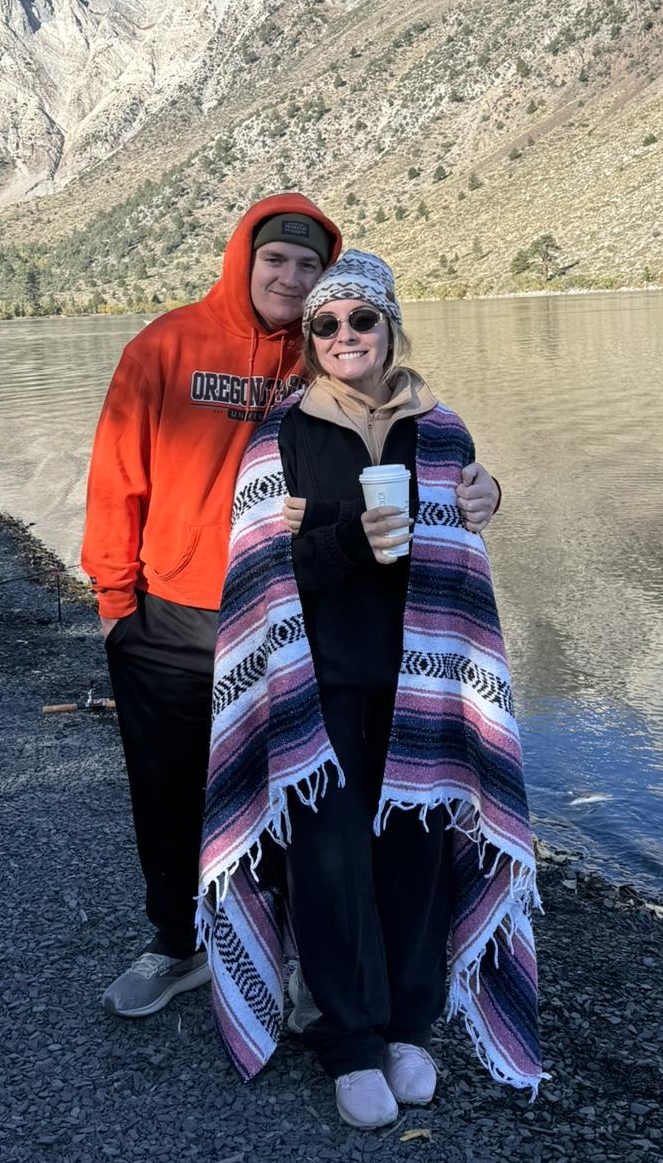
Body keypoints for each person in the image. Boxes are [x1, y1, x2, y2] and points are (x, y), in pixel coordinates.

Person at [81, 197, 502, 1020]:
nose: (292, 278)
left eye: (310, 267)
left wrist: (483, 486)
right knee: (167, 792)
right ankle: (177, 943)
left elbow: (405, 433)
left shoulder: (316, 362)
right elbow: (115, 473)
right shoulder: (165, 345)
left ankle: (303, 955)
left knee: (295, 792)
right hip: (172, 611)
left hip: (285, 614)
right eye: (277, 260)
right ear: (244, 259)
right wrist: (115, 602)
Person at [198, 250, 540, 1129]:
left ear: (391, 329)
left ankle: (410, 1027)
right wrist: (350, 540)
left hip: (427, 683)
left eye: (363, 320)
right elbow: (262, 572)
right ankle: (349, 1041)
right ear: (310, 341)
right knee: (330, 859)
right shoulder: (281, 437)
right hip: (319, 681)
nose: (347, 336)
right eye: (327, 324)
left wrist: (492, 493)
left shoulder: (443, 428)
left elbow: (470, 533)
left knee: (416, 854)